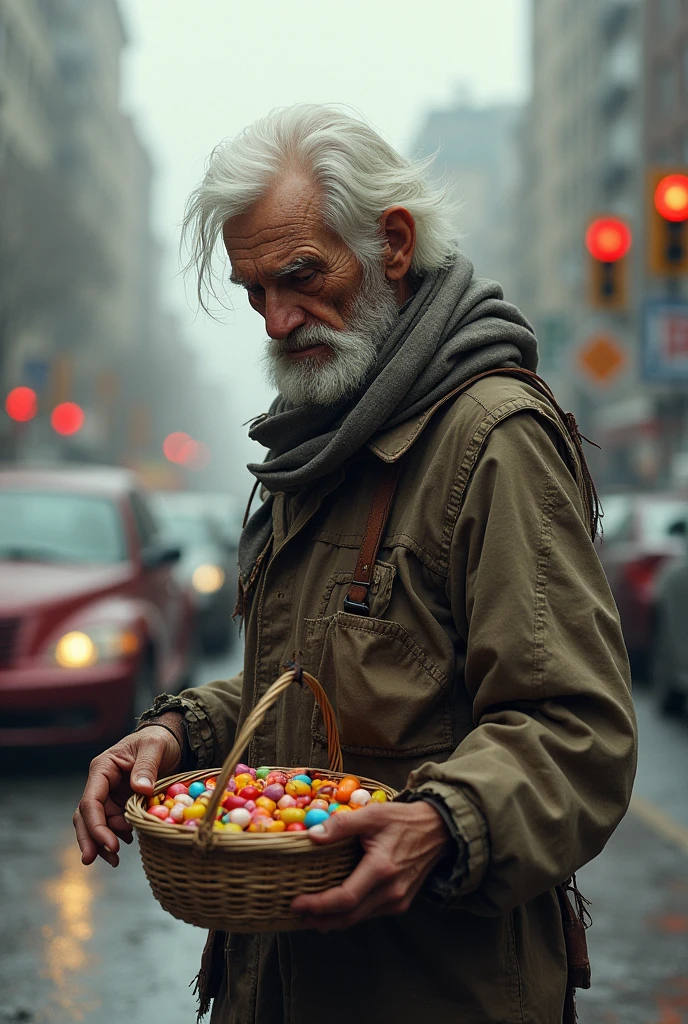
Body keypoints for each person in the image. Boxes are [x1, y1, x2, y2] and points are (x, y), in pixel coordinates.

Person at [74, 104, 637, 1024]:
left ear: (395, 242)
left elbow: (579, 733)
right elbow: (315, 681)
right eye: (255, 293)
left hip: (434, 990)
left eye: (301, 277)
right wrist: (182, 734)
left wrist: (444, 823)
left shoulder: (493, 438)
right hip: (279, 984)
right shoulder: (327, 433)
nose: (280, 319)